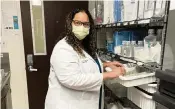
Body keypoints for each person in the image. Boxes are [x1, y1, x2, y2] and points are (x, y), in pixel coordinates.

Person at [45, 8, 125, 109]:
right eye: (78, 23)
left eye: (86, 24)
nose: (82, 27)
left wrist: (105, 65)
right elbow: (71, 79)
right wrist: (109, 74)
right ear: (70, 24)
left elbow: (83, 65)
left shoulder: (83, 45)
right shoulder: (63, 48)